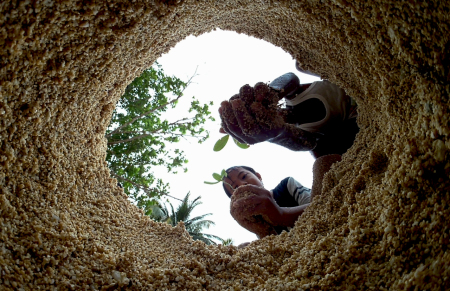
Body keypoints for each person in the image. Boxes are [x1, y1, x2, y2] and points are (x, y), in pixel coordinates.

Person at [218, 70, 358, 158]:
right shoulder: (307, 134)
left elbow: (291, 78)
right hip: (362, 113)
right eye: (263, 118)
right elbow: (307, 143)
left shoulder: (294, 95)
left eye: (266, 110)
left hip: (351, 76)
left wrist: (272, 92)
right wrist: (276, 135)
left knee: (300, 65)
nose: (270, 113)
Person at [223, 154, 341, 245]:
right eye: (235, 187)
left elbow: (320, 206)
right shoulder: (255, 220)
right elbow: (276, 248)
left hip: (327, 230)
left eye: (244, 176)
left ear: (258, 176)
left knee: (322, 165)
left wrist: (281, 215)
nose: (243, 185)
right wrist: (259, 229)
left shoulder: (286, 186)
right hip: (300, 254)